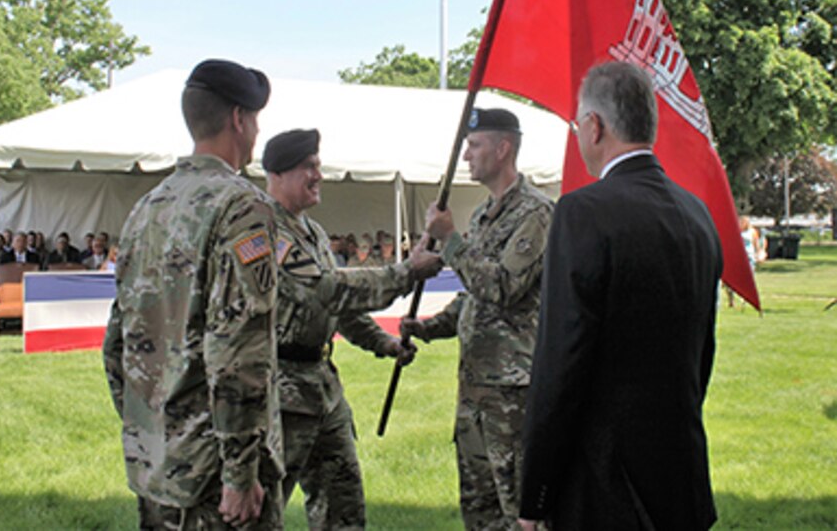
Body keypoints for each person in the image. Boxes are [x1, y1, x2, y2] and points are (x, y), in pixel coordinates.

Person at [518, 62, 722, 530]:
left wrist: (536, 495)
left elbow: (560, 365)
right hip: (681, 473)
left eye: (577, 125)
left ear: (594, 127)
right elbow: (701, 355)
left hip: (605, 486)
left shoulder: (581, 212)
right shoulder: (697, 214)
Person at [102, 58, 285, 529]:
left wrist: (150, 433)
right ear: (239, 120)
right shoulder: (242, 206)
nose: (257, 131)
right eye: (256, 119)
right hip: (214, 478)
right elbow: (239, 352)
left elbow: (116, 343)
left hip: (157, 464)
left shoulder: (147, 207)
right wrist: (241, 474)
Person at [262, 128, 442, 530]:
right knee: (261, 511)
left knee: (342, 506)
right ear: (277, 173)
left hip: (323, 392)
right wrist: (405, 273)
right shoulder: (265, 231)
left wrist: (385, 344)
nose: (318, 175)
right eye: (309, 167)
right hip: (281, 395)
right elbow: (324, 289)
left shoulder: (312, 233)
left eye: (318, 166)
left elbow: (340, 308)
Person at [401, 107, 554, 530]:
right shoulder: (484, 215)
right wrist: (428, 328)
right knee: (480, 510)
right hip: (474, 390)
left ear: (503, 149)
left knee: (520, 510)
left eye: (474, 145)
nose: (466, 156)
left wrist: (450, 239)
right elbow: (474, 297)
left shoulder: (535, 214)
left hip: (511, 394)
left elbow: (502, 287)